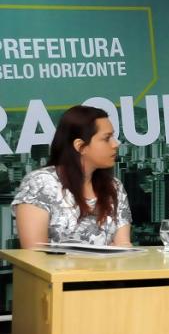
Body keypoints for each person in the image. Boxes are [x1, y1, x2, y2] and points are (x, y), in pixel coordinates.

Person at [12, 106, 132, 248]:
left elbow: (123, 245)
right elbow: (34, 252)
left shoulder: (114, 186)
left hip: (107, 269)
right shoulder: (41, 183)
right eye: (107, 138)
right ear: (80, 146)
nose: (115, 144)